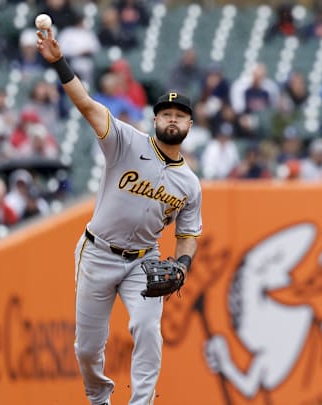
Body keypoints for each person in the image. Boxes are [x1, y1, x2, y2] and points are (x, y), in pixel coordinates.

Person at [36, 27, 202, 405]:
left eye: (180, 115)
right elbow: (88, 106)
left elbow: (189, 232)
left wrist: (183, 263)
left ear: (189, 125)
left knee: (148, 331)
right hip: (97, 252)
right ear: (155, 118)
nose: (172, 120)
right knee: (87, 349)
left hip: (144, 260)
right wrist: (59, 63)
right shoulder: (126, 142)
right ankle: (99, 399)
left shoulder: (190, 184)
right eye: (166, 114)